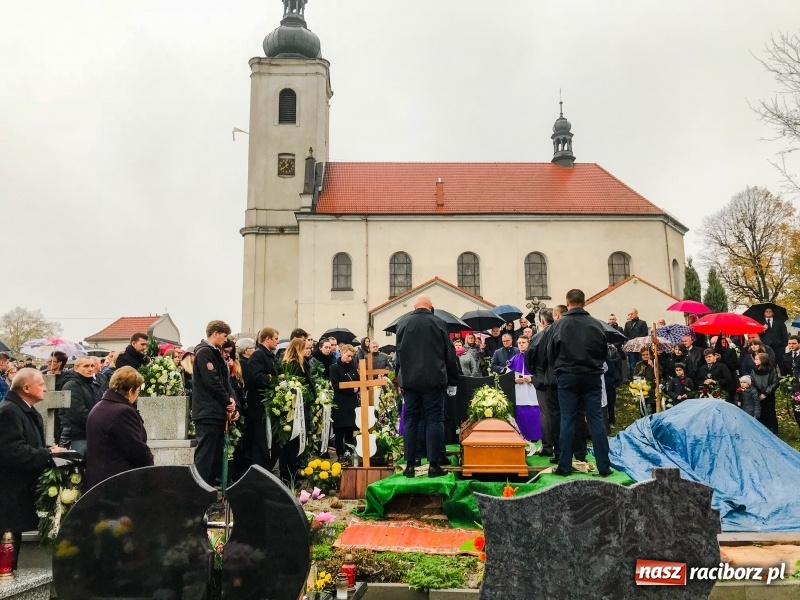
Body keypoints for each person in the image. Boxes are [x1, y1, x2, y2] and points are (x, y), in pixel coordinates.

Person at [0, 369, 67, 569]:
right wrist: (48, 455)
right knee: (6, 550)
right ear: (26, 387)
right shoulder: (9, 412)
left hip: (17, 493)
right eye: (41, 384)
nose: (46, 388)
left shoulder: (24, 410)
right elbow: (10, 451)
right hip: (8, 494)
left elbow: (26, 444)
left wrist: (48, 450)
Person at [547, 289, 611, 477]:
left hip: (567, 376)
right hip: (591, 376)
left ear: (567, 304)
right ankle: (604, 466)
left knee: (567, 419)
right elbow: (604, 353)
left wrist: (560, 368)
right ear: (584, 302)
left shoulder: (559, 325)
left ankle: (564, 465)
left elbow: (551, 353)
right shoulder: (596, 325)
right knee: (596, 419)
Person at [395, 294, 459, 478]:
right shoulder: (438, 323)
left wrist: (400, 379)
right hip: (434, 381)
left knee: (411, 420)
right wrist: (453, 381)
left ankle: (409, 465)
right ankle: (433, 464)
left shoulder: (402, 324)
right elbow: (449, 355)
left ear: (414, 307)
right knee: (434, 420)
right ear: (431, 307)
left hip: (410, 382)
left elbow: (398, 356)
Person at [84, 367, 154, 490]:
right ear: (131, 391)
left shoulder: (99, 407)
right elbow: (135, 450)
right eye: (137, 390)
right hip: (118, 481)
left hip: (98, 479)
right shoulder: (123, 412)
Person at [192, 320, 239, 487]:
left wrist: (232, 402)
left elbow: (225, 381)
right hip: (207, 412)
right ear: (215, 333)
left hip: (215, 412)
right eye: (224, 336)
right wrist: (227, 401)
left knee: (214, 460)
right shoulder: (205, 352)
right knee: (205, 459)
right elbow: (212, 382)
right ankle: (198, 495)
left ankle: (208, 494)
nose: (225, 340)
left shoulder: (214, 353)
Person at [280, 337, 315, 482]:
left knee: (299, 441)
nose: (308, 350)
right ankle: (288, 474)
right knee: (292, 442)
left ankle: (294, 471)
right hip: (295, 408)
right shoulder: (292, 364)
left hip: (303, 406)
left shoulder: (303, 364)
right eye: (305, 348)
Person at [244, 328, 279, 472]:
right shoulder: (258, 356)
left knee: (269, 440)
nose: (277, 341)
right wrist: (275, 380)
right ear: (268, 339)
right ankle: (259, 470)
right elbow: (256, 377)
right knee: (261, 441)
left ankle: (266, 468)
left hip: (269, 404)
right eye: (276, 338)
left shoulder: (270, 355)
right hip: (259, 405)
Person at [60, 356, 104, 454]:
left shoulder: (94, 385)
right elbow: (78, 413)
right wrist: (100, 424)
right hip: (78, 436)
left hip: (94, 434)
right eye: (86, 366)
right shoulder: (71, 385)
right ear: (76, 368)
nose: (90, 369)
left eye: (92, 365)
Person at [329, 344, 359, 459]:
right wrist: (352, 390)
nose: (350, 358)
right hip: (340, 403)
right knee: (340, 431)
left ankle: (348, 452)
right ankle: (340, 454)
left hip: (351, 403)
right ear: (342, 353)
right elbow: (336, 385)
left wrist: (356, 389)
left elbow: (359, 384)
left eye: (352, 356)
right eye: (348, 356)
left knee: (349, 430)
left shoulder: (353, 368)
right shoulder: (334, 368)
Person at [508, 336, 540, 443]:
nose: (521, 344)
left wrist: (532, 378)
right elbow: (506, 376)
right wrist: (515, 379)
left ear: (529, 343)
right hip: (519, 391)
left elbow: (541, 373)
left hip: (532, 390)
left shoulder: (535, 358)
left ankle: (535, 436)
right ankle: (521, 435)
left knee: (534, 411)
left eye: (523, 342)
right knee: (520, 411)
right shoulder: (514, 359)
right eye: (519, 343)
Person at [751, 352, 779, 434]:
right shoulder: (754, 370)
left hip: (768, 395)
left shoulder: (772, 370)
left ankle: (774, 432)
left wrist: (766, 393)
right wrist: (758, 393)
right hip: (758, 395)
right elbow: (752, 382)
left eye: (756, 359)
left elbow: (775, 383)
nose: (754, 361)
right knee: (760, 413)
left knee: (770, 413)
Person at [623, 309, 649, 374]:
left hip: (640, 347)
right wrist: (631, 341)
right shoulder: (627, 324)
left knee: (641, 363)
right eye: (630, 314)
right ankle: (633, 378)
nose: (631, 315)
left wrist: (637, 340)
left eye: (632, 313)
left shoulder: (642, 323)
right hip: (631, 348)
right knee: (632, 364)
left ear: (636, 314)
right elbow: (625, 334)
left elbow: (644, 333)